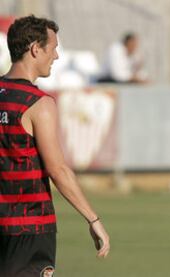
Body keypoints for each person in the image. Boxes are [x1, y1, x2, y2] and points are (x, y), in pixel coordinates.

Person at [0, 15, 110, 276]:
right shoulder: (38, 104)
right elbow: (58, 170)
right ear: (35, 49)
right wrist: (93, 219)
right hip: (29, 229)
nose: (57, 56)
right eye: (53, 48)